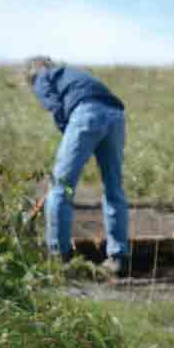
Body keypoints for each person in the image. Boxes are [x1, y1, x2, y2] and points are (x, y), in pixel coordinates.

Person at [25, 56, 129, 275]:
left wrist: (71, 136)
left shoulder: (43, 75)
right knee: (113, 188)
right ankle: (117, 257)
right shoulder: (75, 74)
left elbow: (53, 105)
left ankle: (57, 258)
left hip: (86, 113)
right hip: (116, 115)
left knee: (61, 188)